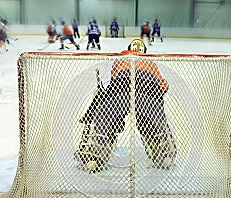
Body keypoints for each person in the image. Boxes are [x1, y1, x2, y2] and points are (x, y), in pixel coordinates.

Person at [75, 39, 177, 173]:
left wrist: (105, 98)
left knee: (107, 120)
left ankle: (94, 156)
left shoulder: (119, 57)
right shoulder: (151, 62)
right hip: (149, 88)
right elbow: (164, 84)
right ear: (144, 52)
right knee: (152, 122)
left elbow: (105, 80)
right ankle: (164, 155)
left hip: (122, 85)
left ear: (128, 48)